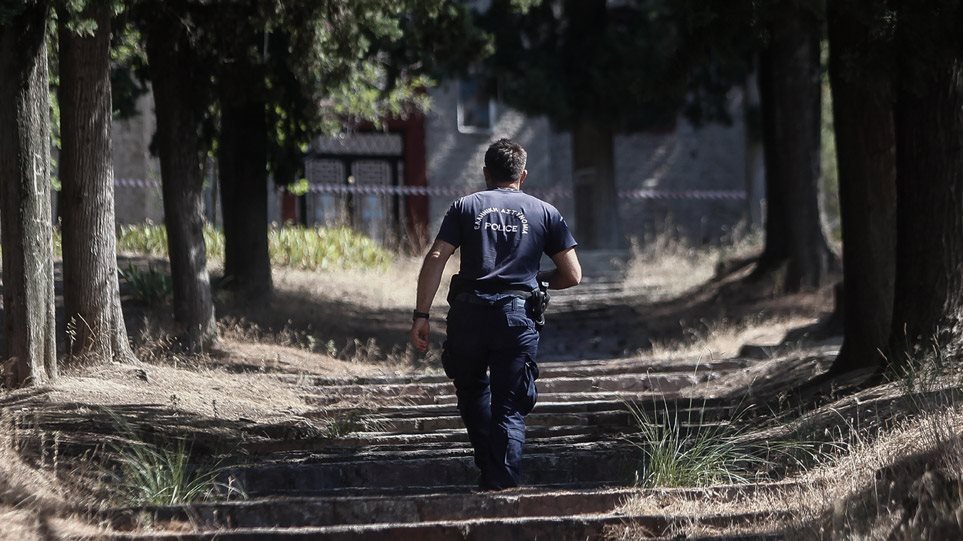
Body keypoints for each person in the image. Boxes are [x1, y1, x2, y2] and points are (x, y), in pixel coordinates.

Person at [409, 138, 581, 490]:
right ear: (523, 174)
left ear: (486, 172)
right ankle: (501, 482)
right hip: (516, 317)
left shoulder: (465, 206)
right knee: (510, 404)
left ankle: (491, 471)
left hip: (468, 314)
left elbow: (437, 257)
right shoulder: (544, 212)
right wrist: (535, 280)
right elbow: (573, 274)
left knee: (472, 392)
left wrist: (421, 314)